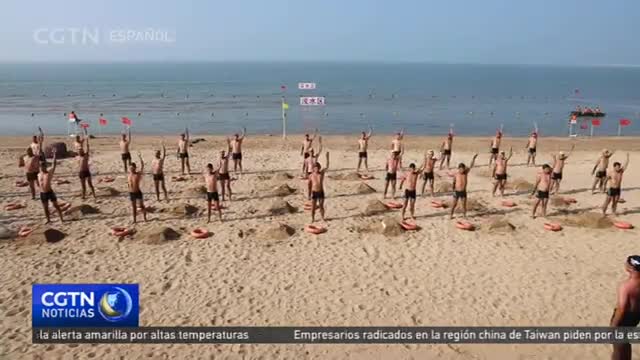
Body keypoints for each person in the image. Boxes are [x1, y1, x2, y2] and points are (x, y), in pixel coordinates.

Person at [610, 255, 640, 360]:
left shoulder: (626, 286)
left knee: (618, 347)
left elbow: (622, 308)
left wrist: (614, 325)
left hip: (624, 319)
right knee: (625, 343)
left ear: (631, 268)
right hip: (635, 317)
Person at [38, 149, 64, 224]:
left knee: (56, 206)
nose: (42, 167)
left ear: (45, 167)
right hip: (42, 193)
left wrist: (54, 155)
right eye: (41, 166)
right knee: (45, 208)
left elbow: (54, 164)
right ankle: (48, 219)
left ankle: (61, 218)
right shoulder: (39, 174)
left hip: (49, 191)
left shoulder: (49, 173)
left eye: (43, 166)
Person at [450, 154, 478, 219]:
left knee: (464, 205)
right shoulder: (456, 174)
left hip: (463, 191)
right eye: (460, 169)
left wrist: (473, 159)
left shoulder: (466, 173)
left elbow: (471, 166)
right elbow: (453, 183)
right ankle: (451, 215)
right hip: (457, 191)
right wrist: (453, 190)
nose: (462, 170)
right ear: (459, 169)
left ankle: (464, 215)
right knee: (454, 204)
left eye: (463, 169)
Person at [309, 152, 330, 223]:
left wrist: (327, 157)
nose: (316, 169)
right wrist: (309, 194)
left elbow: (327, 166)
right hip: (314, 192)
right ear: (313, 169)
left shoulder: (321, 173)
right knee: (313, 207)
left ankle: (322, 218)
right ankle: (312, 218)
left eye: (318, 168)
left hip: (321, 192)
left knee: (321, 206)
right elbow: (309, 185)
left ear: (319, 168)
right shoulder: (311, 175)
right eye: (315, 168)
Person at [127, 152, 147, 223]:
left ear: (135, 168)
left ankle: (145, 218)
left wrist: (140, 157)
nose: (131, 169)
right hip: (131, 193)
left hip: (138, 192)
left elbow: (142, 166)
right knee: (134, 207)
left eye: (132, 168)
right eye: (130, 168)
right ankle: (134, 220)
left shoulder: (137, 174)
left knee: (141, 206)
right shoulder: (129, 175)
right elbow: (128, 184)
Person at [76, 129, 96, 200]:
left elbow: (88, 148)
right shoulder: (78, 157)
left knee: (90, 184)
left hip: (86, 171)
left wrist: (87, 140)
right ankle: (83, 196)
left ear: (83, 151)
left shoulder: (85, 156)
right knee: (83, 186)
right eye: (79, 151)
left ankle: (94, 195)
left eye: (81, 150)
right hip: (81, 172)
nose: (80, 151)